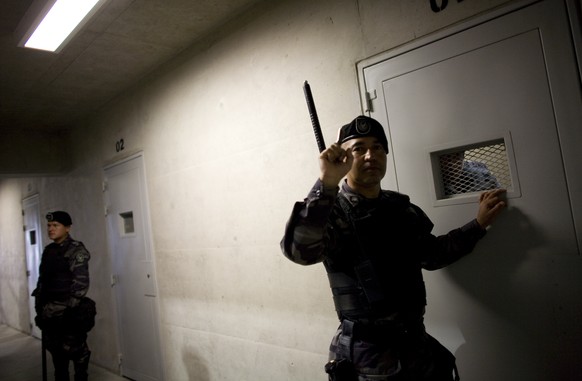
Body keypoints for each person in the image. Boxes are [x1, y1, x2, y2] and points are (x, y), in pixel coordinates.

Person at [280, 116, 506, 380]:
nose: (369, 155)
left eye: (377, 147)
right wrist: (326, 184)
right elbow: (299, 251)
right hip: (367, 357)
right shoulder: (332, 213)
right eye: (358, 149)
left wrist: (477, 225)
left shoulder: (400, 209)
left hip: (415, 347)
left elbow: (432, 254)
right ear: (344, 158)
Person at [32, 211, 93, 381]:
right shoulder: (49, 251)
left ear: (67, 228)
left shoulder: (76, 250)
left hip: (67, 314)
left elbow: (80, 286)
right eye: (49, 226)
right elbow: (42, 281)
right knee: (58, 357)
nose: (51, 229)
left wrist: (66, 312)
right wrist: (40, 309)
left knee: (76, 352)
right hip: (50, 314)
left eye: (55, 225)